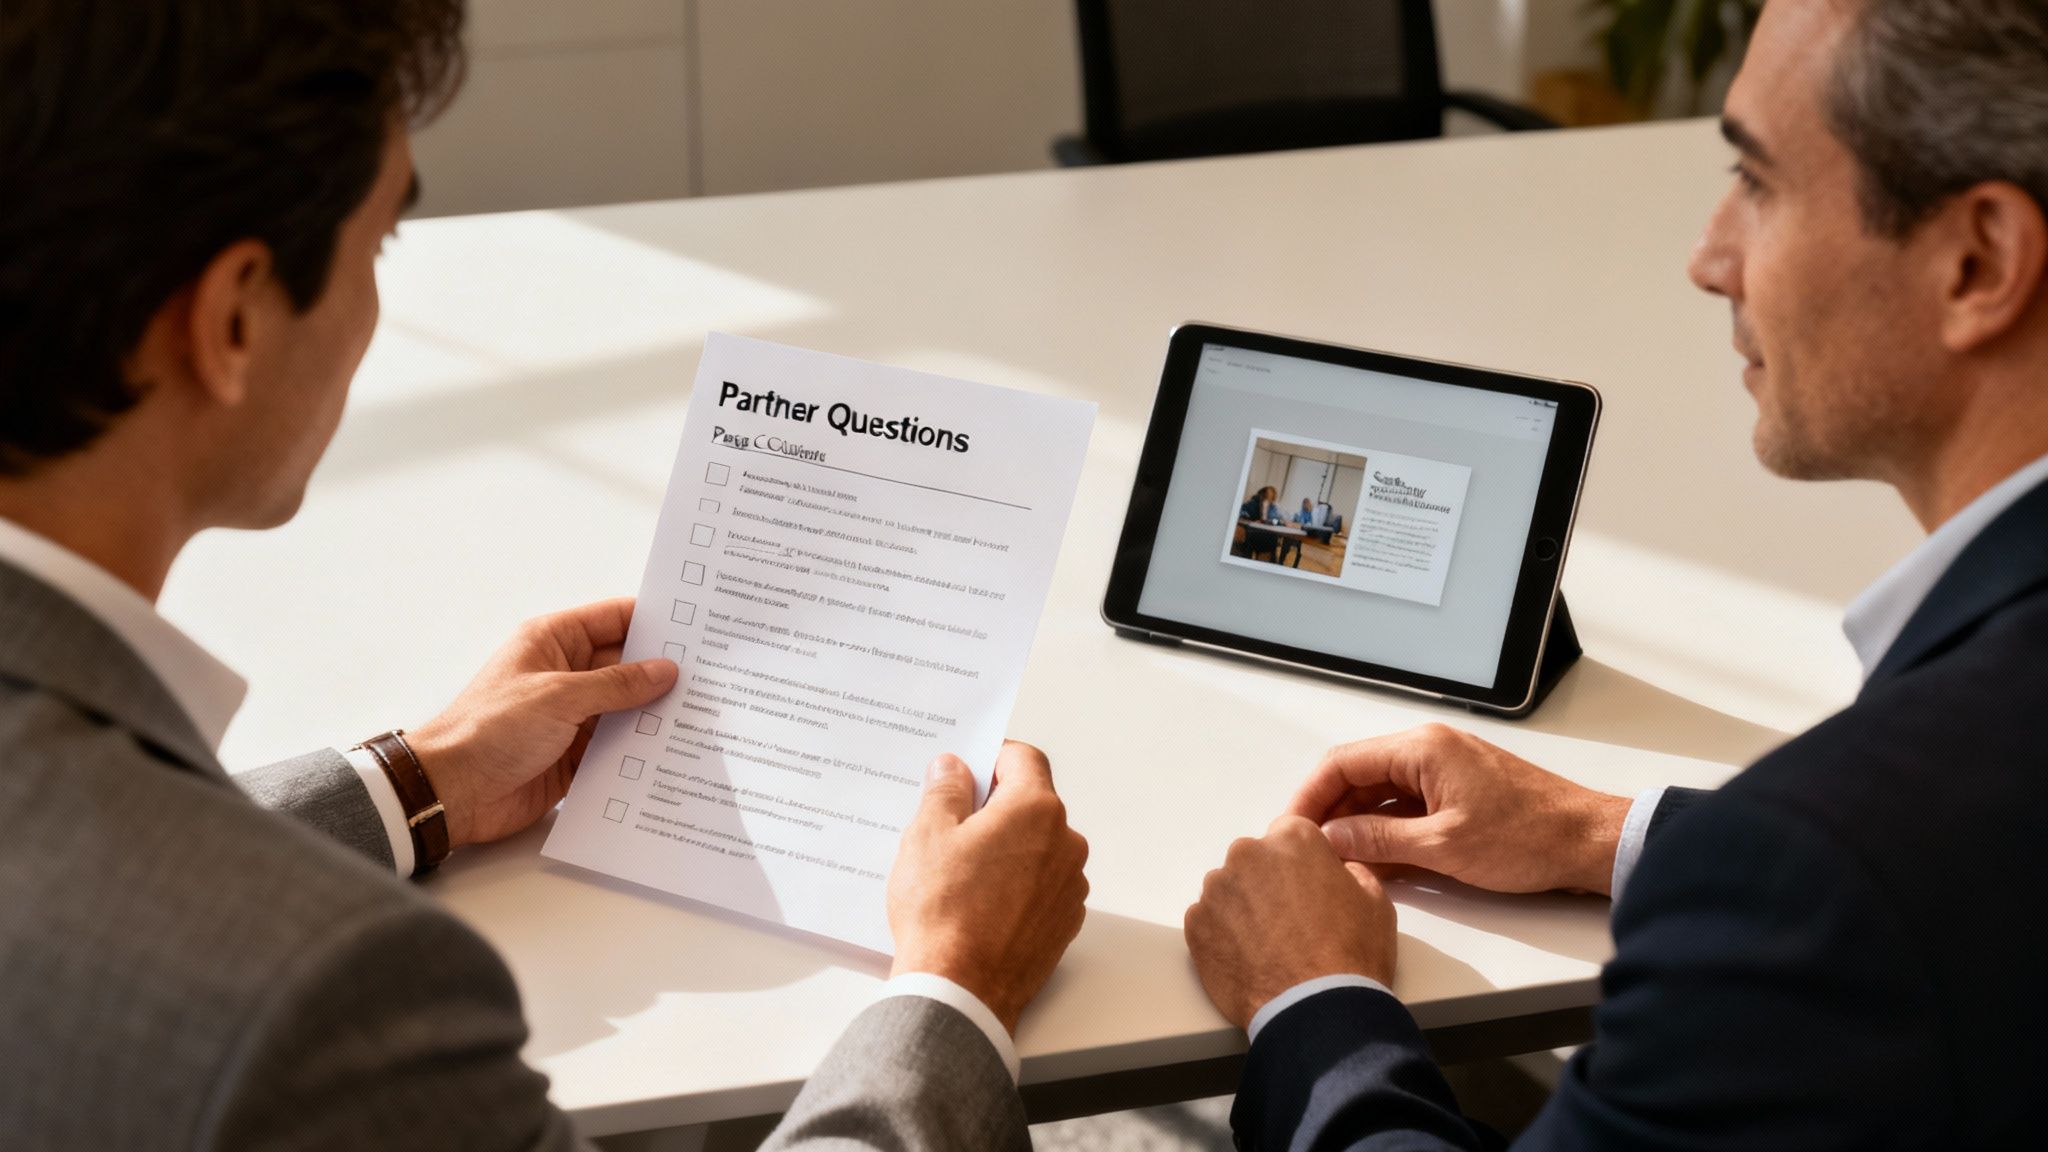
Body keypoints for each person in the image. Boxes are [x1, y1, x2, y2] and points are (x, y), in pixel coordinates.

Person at [0, 3, 1087, 1149]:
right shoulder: (328, 997)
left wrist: (419, 780)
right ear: (229, 321)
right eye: (378, 247)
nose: (376, 306)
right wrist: (955, 984)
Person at [1185, 0, 2048, 1147]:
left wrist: (1311, 1001)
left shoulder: (1835, 876)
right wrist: (1602, 834)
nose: (1707, 259)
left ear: (1974, 260)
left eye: (1758, 182)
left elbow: (1880, 883)